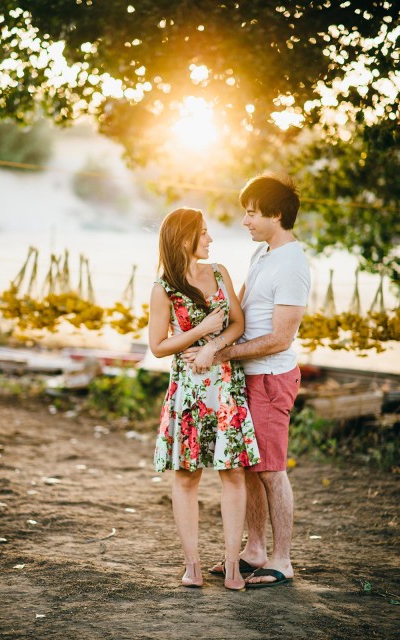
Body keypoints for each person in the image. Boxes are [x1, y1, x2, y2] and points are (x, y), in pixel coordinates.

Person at [184, 173, 311, 588]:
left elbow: (281, 337)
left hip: (271, 378)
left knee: (272, 470)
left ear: (276, 214)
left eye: (252, 213)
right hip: (247, 377)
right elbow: (236, 310)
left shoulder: (292, 263)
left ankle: (282, 559)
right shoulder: (264, 255)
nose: (245, 221)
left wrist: (224, 352)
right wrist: (203, 335)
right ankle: (255, 549)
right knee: (249, 466)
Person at [149, 207, 260, 590]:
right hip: (189, 391)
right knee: (187, 477)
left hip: (224, 386)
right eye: (204, 233)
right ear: (184, 238)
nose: (210, 239)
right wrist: (200, 328)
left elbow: (238, 324)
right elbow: (158, 347)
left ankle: (232, 566)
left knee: (232, 472)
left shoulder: (219, 273)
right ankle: (192, 565)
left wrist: (213, 344)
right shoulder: (163, 288)